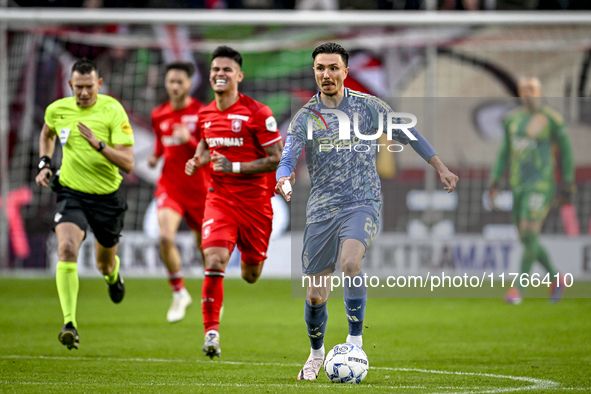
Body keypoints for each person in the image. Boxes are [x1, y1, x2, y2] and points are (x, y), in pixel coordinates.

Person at [275, 42, 459, 381]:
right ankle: (316, 355)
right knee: (316, 294)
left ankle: (354, 340)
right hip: (321, 211)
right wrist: (283, 177)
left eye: (333, 68)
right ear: (314, 72)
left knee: (350, 262)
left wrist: (440, 167)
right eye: (320, 68)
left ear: (346, 71)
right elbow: (287, 157)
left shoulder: (368, 107)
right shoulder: (305, 118)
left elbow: (409, 133)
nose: (326, 74)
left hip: (363, 201)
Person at [184, 46, 283, 359]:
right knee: (213, 260)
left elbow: (276, 158)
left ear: (239, 76)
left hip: (255, 204)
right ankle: (211, 333)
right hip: (220, 199)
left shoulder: (257, 113)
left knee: (250, 275)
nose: (220, 74)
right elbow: (204, 142)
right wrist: (198, 158)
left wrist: (236, 167)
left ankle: (246, 261)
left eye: (227, 70)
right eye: (215, 70)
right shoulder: (205, 113)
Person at [35, 58, 134, 350]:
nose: (83, 93)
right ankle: (69, 323)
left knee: (104, 263)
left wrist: (100, 146)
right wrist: (44, 163)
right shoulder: (58, 110)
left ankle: (113, 276)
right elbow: (47, 134)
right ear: (70, 85)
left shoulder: (112, 110)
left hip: (107, 198)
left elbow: (128, 163)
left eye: (89, 87)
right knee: (66, 249)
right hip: (72, 193)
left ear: (99, 84)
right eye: (78, 87)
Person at [489, 77, 574, 305]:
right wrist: (494, 179)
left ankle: (519, 288)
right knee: (527, 238)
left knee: (528, 232)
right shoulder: (512, 121)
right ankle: (557, 278)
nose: (528, 93)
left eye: (532, 89)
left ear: (540, 91)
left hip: (542, 185)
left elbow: (566, 152)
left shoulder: (552, 120)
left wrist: (568, 183)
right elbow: (504, 152)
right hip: (518, 186)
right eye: (524, 90)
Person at [148, 62, 209, 323]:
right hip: (170, 186)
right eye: (170, 81)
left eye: (179, 81)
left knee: (205, 248)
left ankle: (211, 297)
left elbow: (210, 153)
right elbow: (161, 146)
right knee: (165, 237)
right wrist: (154, 156)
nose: (174, 86)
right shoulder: (158, 114)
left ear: (189, 84)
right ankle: (179, 292)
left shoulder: (202, 113)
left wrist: (190, 140)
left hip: (198, 188)